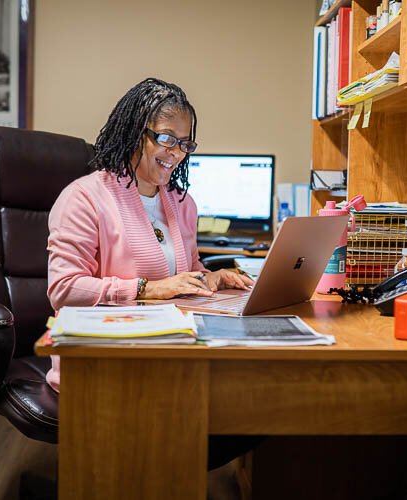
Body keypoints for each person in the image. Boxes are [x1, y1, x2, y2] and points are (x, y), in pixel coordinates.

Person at [46, 77, 257, 476]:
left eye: (185, 143)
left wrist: (210, 277)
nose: (175, 152)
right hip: (105, 357)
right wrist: (146, 290)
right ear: (134, 132)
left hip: (172, 350)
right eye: (165, 138)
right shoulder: (85, 196)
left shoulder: (181, 202)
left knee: (259, 401)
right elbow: (63, 290)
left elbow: (184, 271)